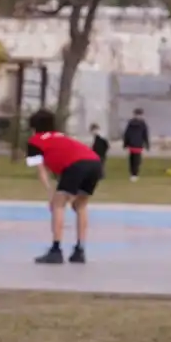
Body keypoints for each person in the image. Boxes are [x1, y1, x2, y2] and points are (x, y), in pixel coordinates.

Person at [27, 109, 103, 264]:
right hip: (94, 162)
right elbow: (67, 159)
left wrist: (51, 194)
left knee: (58, 205)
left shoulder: (35, 141)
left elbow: (42, 171)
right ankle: (79, 250)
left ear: (33, 126)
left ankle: (56, 250)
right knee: (80, 205)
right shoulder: (61, 136)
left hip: (76, 166)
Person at [122, 107, 151, 182]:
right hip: (138, 144)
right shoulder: (143, 123)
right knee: (136, 160)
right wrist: (147, 144)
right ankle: (135, 174)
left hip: (132, 144)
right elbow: (145, 135)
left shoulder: (130, 123)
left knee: (132, 159)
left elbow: (126, 134)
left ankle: (133, 173)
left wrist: (125, 144)